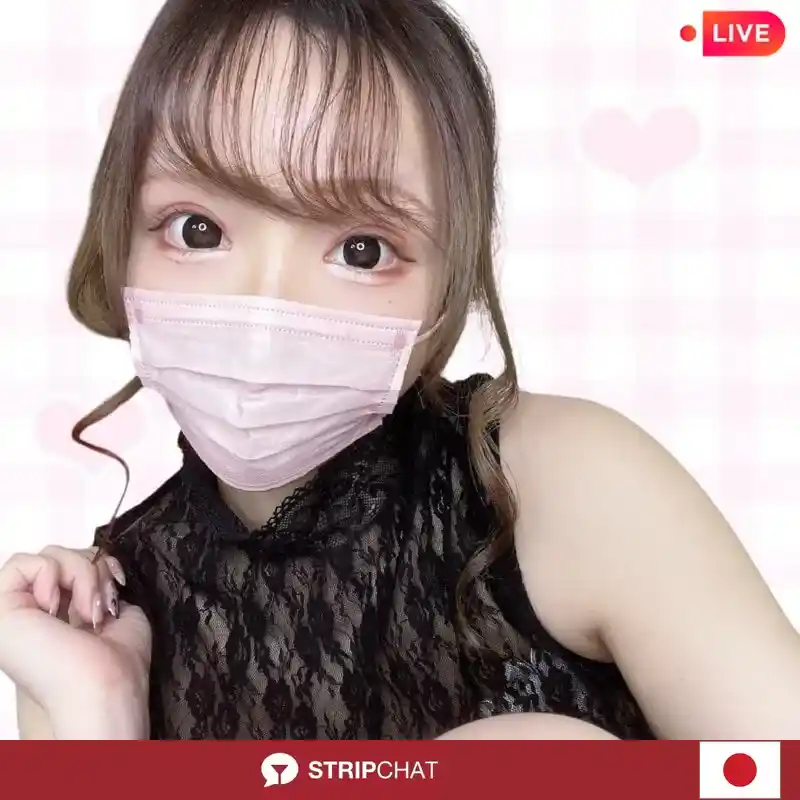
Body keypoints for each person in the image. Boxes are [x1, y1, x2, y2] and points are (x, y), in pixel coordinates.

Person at [1, 0, 798, 742]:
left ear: (447, 290)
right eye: (197, 230)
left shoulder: (565, 483)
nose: (266, 307)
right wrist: (97, 721)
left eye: (362, 249)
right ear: (120, 240)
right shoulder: (96, 619)